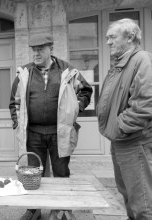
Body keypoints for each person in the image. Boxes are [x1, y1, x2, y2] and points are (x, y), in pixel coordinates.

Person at [9, 33, 92, 220]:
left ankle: (61, 210)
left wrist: (75, 107)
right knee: (33, 174)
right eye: (34, 50)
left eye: (40, 50)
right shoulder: (24, 73)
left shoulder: (67, 71)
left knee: (62, 173)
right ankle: (35, 209)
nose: (36, 54)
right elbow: (14, 103)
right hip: (33, 134)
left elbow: (86, 91)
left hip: (59, 133)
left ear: (51, 50)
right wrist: (17, 125)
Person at [97, 18, 152, 220]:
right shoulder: (122, 64)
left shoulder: (142, 60)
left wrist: (119, 128)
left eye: (112, 37)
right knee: (128, 196)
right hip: (120, 141)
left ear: (129, 37)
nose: (108, 42)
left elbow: (145, 104)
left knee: (142, 203)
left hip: (133, 142)